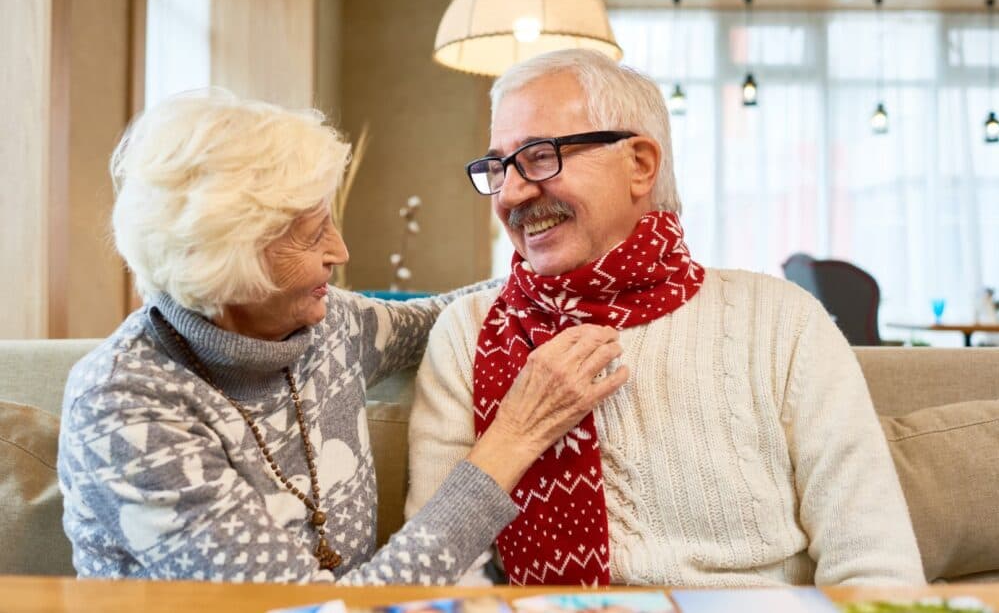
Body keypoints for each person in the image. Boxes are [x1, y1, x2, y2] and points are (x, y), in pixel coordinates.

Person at [57, 89, 627, 584]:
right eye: (313, 235)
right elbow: (316, 611)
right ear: (228, 261)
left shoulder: (328, 327)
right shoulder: (124, 408)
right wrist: (514, 439)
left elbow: (454, 312)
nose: (341, 251)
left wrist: (570, 266)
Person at [404, 49, 925, 587]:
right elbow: (440, 576)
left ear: (640, 165)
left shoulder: (781, 322)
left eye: (540, 156)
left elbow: (875, 567)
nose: (511, 192)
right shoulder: (468, 332)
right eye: (499, 167)